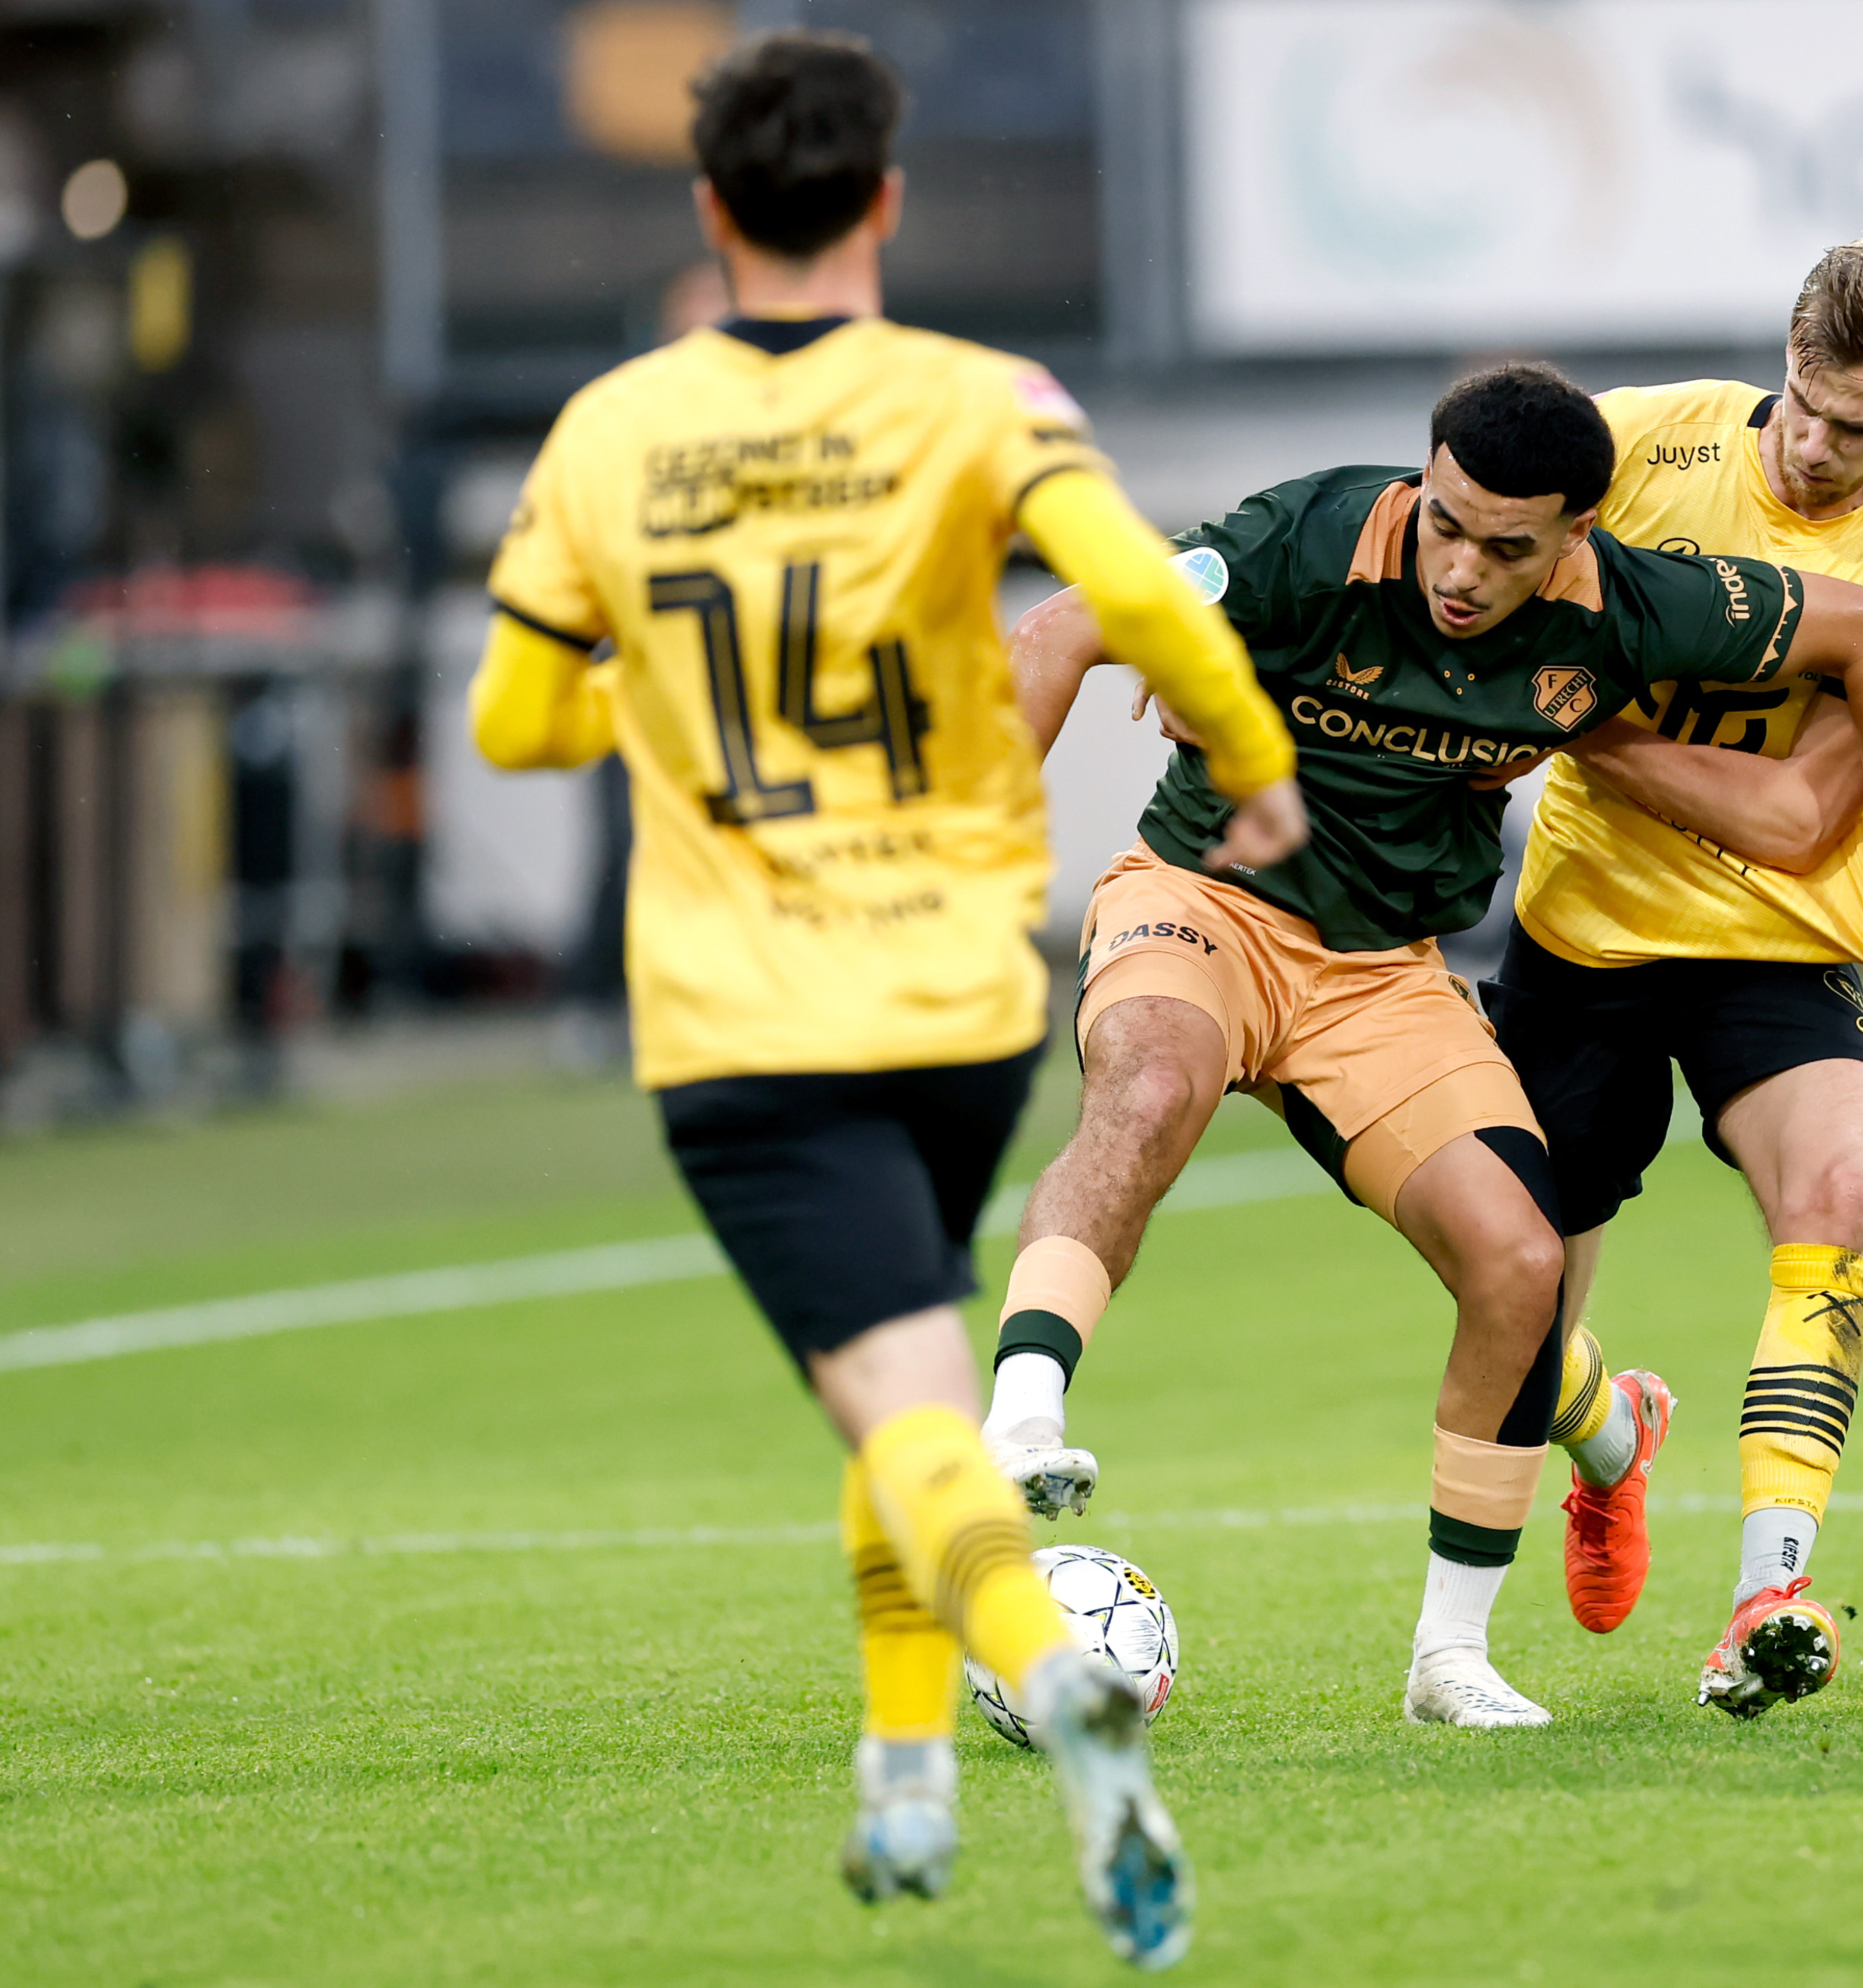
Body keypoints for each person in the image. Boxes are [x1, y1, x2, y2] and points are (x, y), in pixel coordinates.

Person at [468, 31, 1306, 1964]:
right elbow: (1141, 594)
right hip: (956, 998)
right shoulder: (978, 396)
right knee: (903, 1378)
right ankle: (908, 1781)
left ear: (709, 213)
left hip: (750, 1015)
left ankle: (1055, 1680)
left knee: (899, 1401)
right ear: (886, 203)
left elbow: (518, 716)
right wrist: (1249, 757)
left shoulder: (611, 428)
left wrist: (658, 700)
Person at [990, 362, 1863, 1729]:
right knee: (1145, 1091)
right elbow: (1057, 632)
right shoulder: (1309, 534)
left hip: (1383, 976)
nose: (1459, 568)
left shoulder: (1624, 611)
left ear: (1575, 536)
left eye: (1507, 547)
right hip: (1202, 898)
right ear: (1420, 483)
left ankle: (1456, 1649)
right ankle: (1024, 1414)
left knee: (1516, 1263)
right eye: (1444, 522)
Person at [1470, 226, 1863, 1718]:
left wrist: (1571, 721)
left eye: (1862, 428)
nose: (1819, 449)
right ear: (1783, 356)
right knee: (1511, 1309)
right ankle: (1612, 1437)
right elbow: (1448, 552)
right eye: (1806, 405)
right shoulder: (1637, 446)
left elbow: (1789, 821)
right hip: (1585, 940)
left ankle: (1770, 1584)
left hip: (1772, 943)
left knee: (1837, 1183)